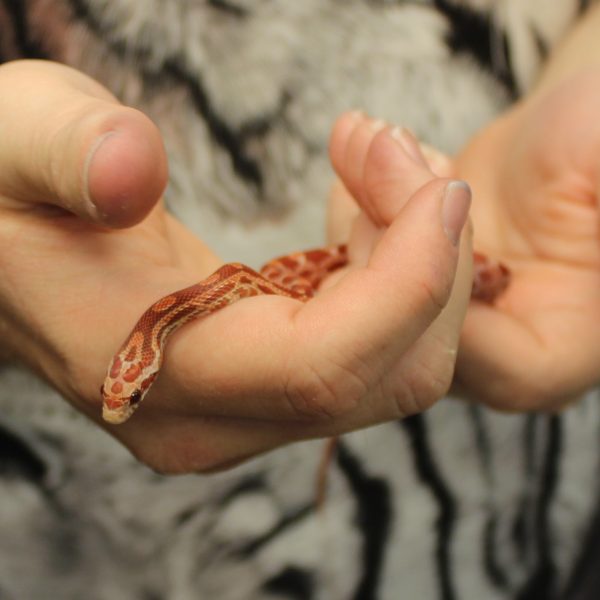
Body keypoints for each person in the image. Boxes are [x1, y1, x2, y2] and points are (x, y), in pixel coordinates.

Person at [1, 2, 600, 478]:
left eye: (124, 392)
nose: (122, 396)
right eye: (124, 394)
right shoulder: (180, 312)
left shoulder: (189, 304)